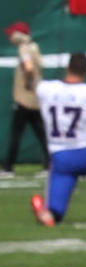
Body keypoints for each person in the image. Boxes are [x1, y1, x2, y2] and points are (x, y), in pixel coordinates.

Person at [30, 51, 86, 226]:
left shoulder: (45, 89)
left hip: (60, 159)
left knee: (55, 215)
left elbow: (34, 84)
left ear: (67, 68)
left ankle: (48, 212)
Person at [2, 21, 47, 174]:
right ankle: (49, 165)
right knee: (42, 134)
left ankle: (8, 167)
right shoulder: (34, 47)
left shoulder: (24, 49)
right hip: (35, 98)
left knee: (16, 134)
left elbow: (28, 67)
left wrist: (28, 82)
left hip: (25, 99)